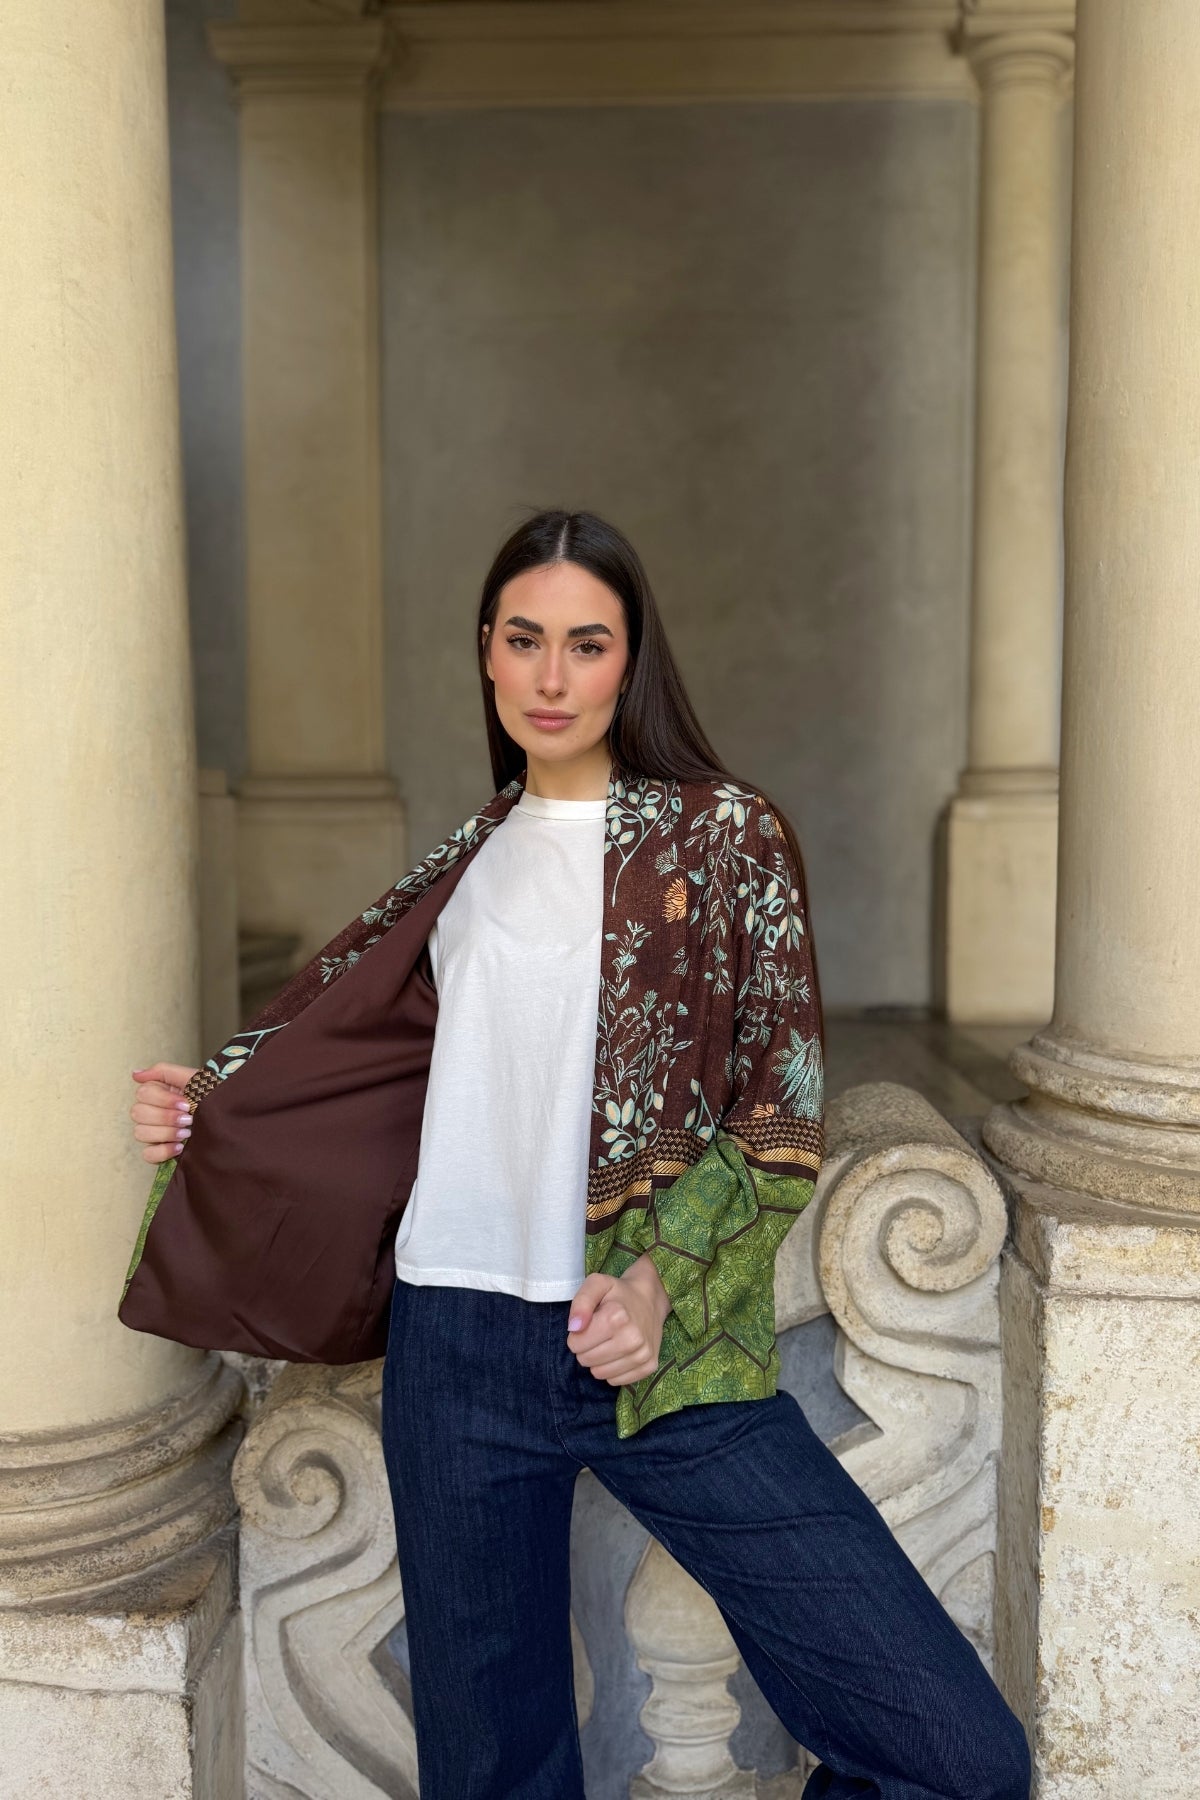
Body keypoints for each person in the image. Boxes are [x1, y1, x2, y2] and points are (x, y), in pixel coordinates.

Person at [127, 509, 1031, 1799]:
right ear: (486, 654)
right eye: (524, 639)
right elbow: (359, 1070)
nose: (552, 677)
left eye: (587, 644)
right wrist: (211, 1108)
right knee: (495, 1774)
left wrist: (660, 1275)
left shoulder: (725, 839)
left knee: (956, 1752)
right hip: (456, 1348)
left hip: (661, 1352)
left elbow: (779, 1121)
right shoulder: (464, 867)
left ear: (631, 661)